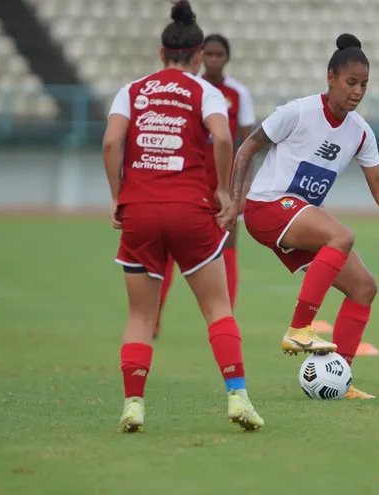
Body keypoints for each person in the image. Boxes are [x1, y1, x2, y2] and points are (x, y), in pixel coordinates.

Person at [222, 33, 379, 400]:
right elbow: (247, 148)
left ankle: (342, 379)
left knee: (365, 288)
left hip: (300, 219)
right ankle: (300, 327)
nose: (357, 91)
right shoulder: (297, 112)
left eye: (364, 85)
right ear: (330, 77)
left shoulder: (360, 132)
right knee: (342, 235)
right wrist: (234, 202)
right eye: (351, 83)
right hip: (267, 207)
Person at [101, 0, 263, 432]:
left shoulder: (132, 89)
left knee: (140, 316)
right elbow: (224, 137)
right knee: (217, 308)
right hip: (190, 210)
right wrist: (222, 190)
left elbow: (111, 145)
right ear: (196, 56)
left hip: (139, 211)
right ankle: (238, 397)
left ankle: (133, 405)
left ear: (161, 53)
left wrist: (118, 196)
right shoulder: (205, 90)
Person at [154, 33, 256, 339]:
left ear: (226, 58)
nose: (213, 59)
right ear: (200, 56)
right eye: (208, 54)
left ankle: (227, 318)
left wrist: (243, 188)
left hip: (225, 186)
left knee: (227, 250)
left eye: (218, 55)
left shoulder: (239, 94)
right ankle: (154, 316)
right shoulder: (190, 90)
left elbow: (247, 145)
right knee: (168, 251)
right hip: (190, 183)